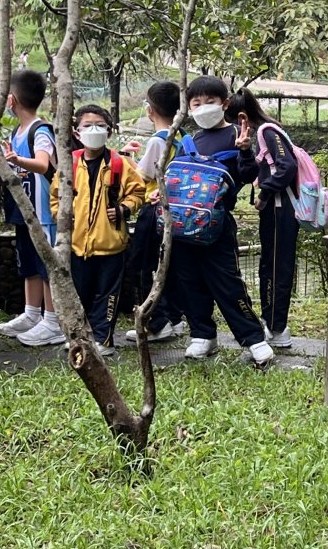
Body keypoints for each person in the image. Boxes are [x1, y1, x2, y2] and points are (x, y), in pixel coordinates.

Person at [168, 76, 276, 365]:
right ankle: (202, 334)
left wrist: (245, 150)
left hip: (217, 227)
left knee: (228, 283)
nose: (203, 108)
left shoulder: (236, 136)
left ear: (225, 103)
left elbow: (248, 176)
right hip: (183, 225)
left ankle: (253, 338)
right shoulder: (190, 141)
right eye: (196, 103)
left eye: (210, 101)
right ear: (189, 107)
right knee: (189, 280)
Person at [52, 104, 147, 348]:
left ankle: (102, 339)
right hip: (77, 244)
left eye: (100, 125)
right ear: (77, 132)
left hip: (111, 244)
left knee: (107, 294)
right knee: (79, 293)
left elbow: (138, 192)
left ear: (109, 131)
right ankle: (80, 338)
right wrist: (62, 217)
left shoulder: (120, 164)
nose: (94, 130)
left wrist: (124, 209)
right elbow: (55, 196)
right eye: (87, 125)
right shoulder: (70, 164)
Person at [226, 87, 299, 350]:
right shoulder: (258, 136)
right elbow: (250, 172)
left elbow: (288, 167)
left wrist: (265, 193)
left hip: (281, 209)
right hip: (274, 211)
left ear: (242, 117)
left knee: (277, 267)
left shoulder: (267, 131)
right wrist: (245, 151)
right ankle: (272, 322)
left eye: (233, 122)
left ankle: (278, 327)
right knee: (268, 264)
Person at [0, 69, 63, 347]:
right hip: (24, 211)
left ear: (11, 100)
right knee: (28, 262)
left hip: (43, 212)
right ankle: (31, 312)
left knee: (47, 265)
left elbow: (43, 164)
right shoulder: (18, 131)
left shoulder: (40, 130)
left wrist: (17, 160)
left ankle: (53, 320)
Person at [119, 79, 185, 345]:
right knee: (167, 265)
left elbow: (142, 176)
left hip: (153, 209)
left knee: (143, 265)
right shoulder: (181, 136)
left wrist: (125, 158)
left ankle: (156, 323)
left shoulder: (159, 140)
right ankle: (174, 318)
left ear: (150, 110)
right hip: (172, 210)